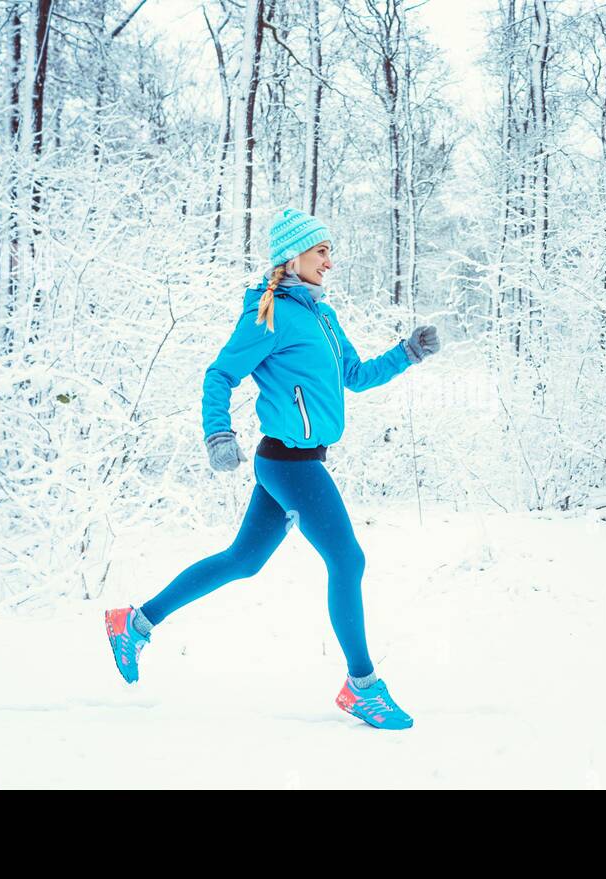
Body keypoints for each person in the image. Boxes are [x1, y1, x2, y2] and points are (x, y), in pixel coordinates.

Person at [104, 207, 440, 731]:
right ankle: (362, 686)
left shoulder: (322, 317)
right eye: (321, 251)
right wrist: (218, 434)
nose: (331, 261)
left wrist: (407, 354)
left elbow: (354, 375)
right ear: (294, 258)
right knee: (348, 561)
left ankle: (135, 622)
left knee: (243, 560)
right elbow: (219, 375)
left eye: (330, 251)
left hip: (296, 461)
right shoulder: (269, 316)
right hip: (288, 464)